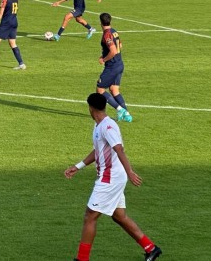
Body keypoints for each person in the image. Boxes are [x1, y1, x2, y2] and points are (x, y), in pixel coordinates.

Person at [64, 93, 162, 261]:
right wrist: (78, 166)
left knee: (90, 216)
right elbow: (98, 151)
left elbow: (119, 149)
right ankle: (151, 248)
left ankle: (82, 259)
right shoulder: (98, 126)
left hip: (110, 178)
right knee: (119, 216)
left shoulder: (107, 127)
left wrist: (130, 171)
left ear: (91, 108)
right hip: (110, 176)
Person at [97, 13, 132, 122]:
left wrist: (104, 59)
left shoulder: (107, 34)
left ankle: (120, 109)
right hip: (119, 64)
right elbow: (119, 46)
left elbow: (113, 51)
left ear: (100, 23)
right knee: (114, 89)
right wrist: (105, 54)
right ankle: (127, 115)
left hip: (112, 66)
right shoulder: (114, 31)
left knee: (100, 89)